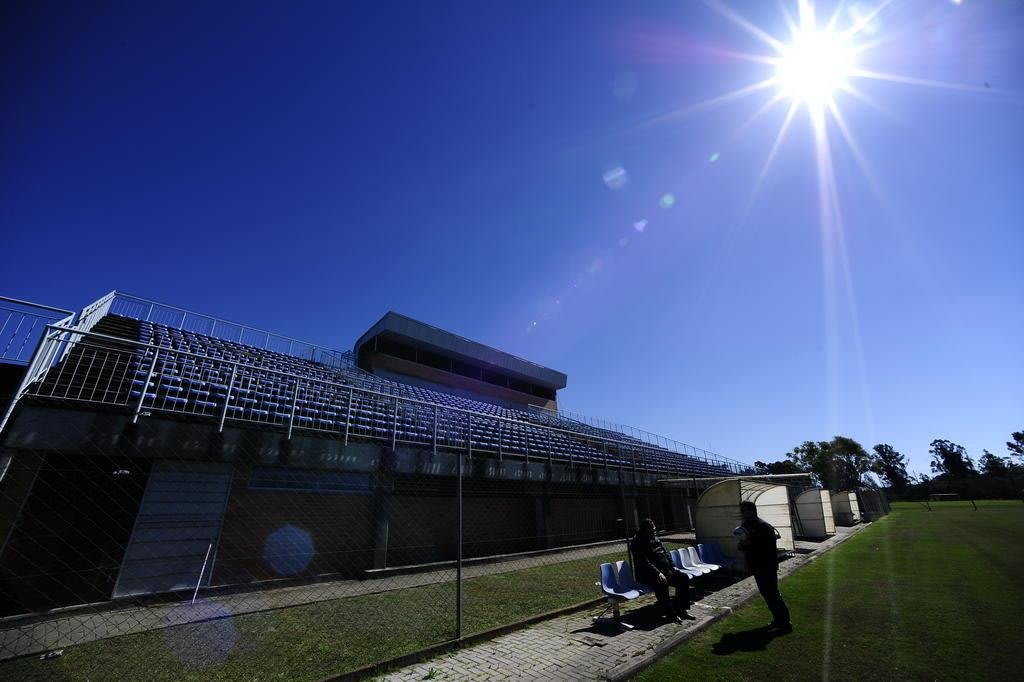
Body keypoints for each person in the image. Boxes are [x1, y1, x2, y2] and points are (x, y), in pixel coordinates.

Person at [737, 500, 792, 631]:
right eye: (741, 511)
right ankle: (778, 620)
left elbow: (767, 547)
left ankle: (784, 622)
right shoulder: (746, 525)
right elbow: (743, 544)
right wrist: (742, 545)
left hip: (766, 565)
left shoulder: (763, 526)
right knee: (766, 593)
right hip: (756, 565)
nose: (742, 513)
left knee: (772, 593)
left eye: (744, 510)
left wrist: (749, 544)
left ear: (752, 510)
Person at [629, 518, 694, 623]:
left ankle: (682, 610)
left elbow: (665, 553)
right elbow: (643, 561)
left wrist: (673, 566)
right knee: (662, 584)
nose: (655, 530)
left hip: (665, 571)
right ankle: (671, 615)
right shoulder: (637, 542)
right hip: (648, 574)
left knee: (683, 578)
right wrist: (658, 573)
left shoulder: (655, 539)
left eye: (654, 528)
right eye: (652, 528)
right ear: (645, 529)